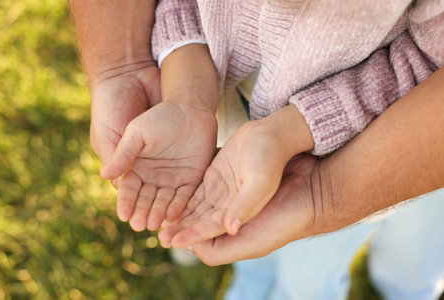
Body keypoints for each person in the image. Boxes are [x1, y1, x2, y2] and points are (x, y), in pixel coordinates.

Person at [69, 0, 444, 299]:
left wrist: (296, 131)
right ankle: (254, 279)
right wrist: (187, 98)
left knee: (315, 277)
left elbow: (427, 60)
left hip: (365, 153)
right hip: (243, 129)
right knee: (245, 231)